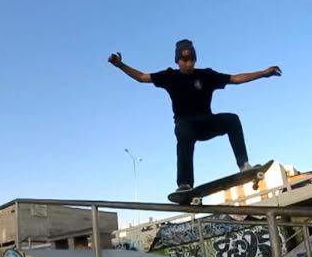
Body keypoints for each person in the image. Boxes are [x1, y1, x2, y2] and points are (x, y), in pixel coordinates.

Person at [108, 39, 282, 192]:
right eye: (184, 60)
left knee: (232, 119)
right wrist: (120, 65)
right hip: (186, 126)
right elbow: (141, 77)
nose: (189, 64)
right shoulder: (169, 76)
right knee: (183, 129)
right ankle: (185, 183)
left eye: (192, 60)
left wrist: (263, 73)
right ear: (177, 60)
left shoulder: (206, 75)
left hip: (207, 124)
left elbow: (235, 79)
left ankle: (244, 165)